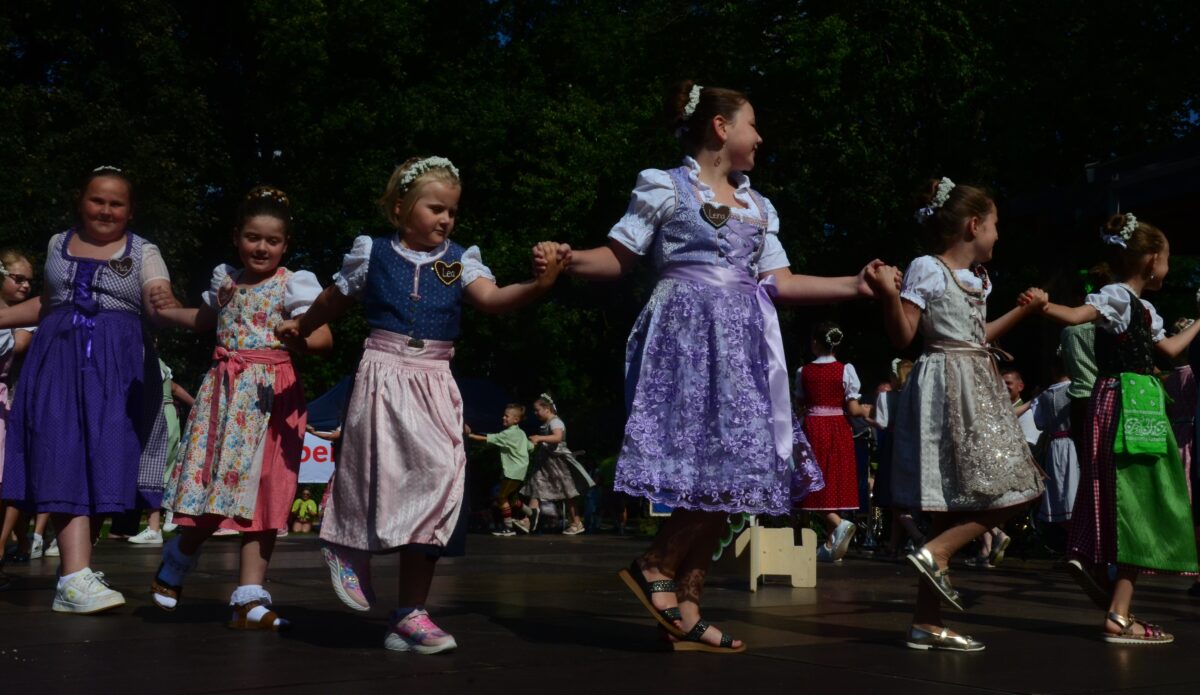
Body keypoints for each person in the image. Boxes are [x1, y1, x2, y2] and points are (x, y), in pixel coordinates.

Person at [537, 81, 885, 653]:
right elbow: (618, 257)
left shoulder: (759, 204)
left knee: (746, 466)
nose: (761, 136)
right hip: (687, 338)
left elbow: (781, 282)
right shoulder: (664, 186)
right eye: (753, 124)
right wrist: (569, 258)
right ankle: (657, 566)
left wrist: (854, 284)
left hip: (746, 344)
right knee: (716, 467)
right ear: (721, 128)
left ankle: (689, 602)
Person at [277, 156, 564, 654]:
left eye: (451, 211)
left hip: (435, 375)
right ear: (400, 208)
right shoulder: (373, 254)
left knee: (442, 479)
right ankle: (348, 547)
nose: (446, 220)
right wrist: (301, 327)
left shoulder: (458, 260)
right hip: (383, 371)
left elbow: (493, 299)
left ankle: (410, 610)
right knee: (377, 474)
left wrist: (540, 285)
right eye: (436, 208)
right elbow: (331, 300)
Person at [866, 176, 1045, 652]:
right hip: (947, 384)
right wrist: (888, 293)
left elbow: (978, 335)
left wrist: (1022, 314)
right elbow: (905, 334)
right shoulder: (928, 267)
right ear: (973, 225)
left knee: (958, 504)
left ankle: (926, 621)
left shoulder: (979, 279)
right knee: (1019, 486)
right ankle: (935, 551)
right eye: (994, 225)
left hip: (977, 380)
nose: (998, 234)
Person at [148, 186, 329, 630]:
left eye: (272, 240)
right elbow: (204, 320)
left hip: (273, 398)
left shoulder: (293, 285)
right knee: (216, 489)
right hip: (225, 399)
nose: (261, 247)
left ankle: (249, 598)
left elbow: (324, 341)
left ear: (286, 245)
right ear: (237, 237)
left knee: (264, 491)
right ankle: (182, 551)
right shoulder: (225, 282)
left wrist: (297, 336)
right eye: (253, 237)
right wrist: (167, 313)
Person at [0, 166, 175, 613]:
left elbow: (159, 297)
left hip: (116, 370)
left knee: (104, 463)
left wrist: (187, 313)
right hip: (57, 361)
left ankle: (75, 576)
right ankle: (75, 577)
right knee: (62, 453)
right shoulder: (58, 243)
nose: (106, 209)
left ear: (130, 211)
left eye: (117, 203)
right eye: (98, 200)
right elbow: (48, 301)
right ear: (82, 200)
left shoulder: (144, 251)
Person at [1036, 212, 1200, 644]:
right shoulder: (1117, 296)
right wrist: (1044, 305)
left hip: (1138, 402)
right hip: (1128, 402)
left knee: (1131, 492)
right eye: (1165, 258)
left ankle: (1092, 563)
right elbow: (1076, 315)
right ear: (1150, 261)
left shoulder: (1143, 307)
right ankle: (1116, 607)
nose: (1168, 266)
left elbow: (1169, 349)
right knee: (1138, 496)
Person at [795, 321, 865, 562]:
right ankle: (832, 542)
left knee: (811, 483)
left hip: (813, 428)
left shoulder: (804, 371)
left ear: (815, 343)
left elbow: (800, 405)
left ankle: (837, 525)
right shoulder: (845, 370)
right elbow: (853, 408)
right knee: (832, 481)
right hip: (838, 428)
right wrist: (869, 412)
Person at [0, 250, 36, 583]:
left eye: (29, 280)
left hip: (10, 401)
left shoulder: (23, 318)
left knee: (9, 477)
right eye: (18, 278)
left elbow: (19, 345)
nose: (25, 285)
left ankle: (3, 545)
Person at [871, 359, 924, 558]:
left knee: (894, 497)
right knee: (903, 498)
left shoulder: (887, 397)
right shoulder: (917, 396)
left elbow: (882, 423)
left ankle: (917, 536)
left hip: (894, 444)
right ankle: (894, 545)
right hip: (915, 445)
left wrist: (867, 416)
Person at [523, 394, 594, 535]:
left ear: (547, 409)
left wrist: (540, 437)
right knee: (536, 485)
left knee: (567, 492)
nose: (535, 413)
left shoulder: (556, 422)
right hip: (546, 462)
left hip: (558, 462)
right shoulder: (546, 423)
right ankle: (527, 520)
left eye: (537, 410)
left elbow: (557, 437)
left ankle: (577, 522)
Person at [465, 403, 534, 536]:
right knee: (512, 500)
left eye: (506, 416)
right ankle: (531, 512)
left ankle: (509, 527)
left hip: (512, 472)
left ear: (516, 420)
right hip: (521, 472)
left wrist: (470, 436)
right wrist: (533, 442)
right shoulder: (521, 433)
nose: (503, 417)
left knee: (501, 498)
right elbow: (530, 447)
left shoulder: (508, 434)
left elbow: (488, 439)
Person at [1030, 358, 1078, 530]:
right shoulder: (1077, 389)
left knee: (1062, 489)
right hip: (1074, 443)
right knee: (1073, 487)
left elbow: (1039, 423)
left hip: (1056, 446)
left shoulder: (1045, 395)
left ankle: (1070, 534)